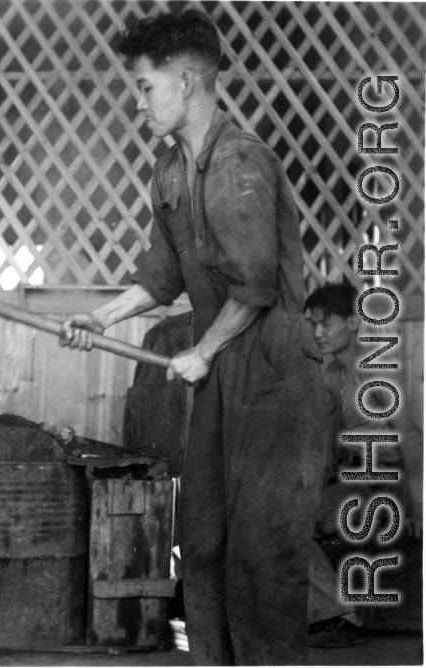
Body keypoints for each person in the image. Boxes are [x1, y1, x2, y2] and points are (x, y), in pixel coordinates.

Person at [60, 10, 326, 664]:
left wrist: (201, 351)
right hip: (211, 382)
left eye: (145, 86)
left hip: (274, 385)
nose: (136, 100)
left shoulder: (241, 164)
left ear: (185, 81)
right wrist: (104, 317)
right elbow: (161, 272)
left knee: (260, 558)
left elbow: (256, 285)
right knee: (202, 544)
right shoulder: (170, 167)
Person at [305, 281, 421, 648]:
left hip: (390, 487)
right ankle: (331, 612)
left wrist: (419, 506)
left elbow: (412, 441)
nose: (318, 333)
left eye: (327, 323)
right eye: (313, 325)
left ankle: (342, 619)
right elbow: (326, 439)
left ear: (354, 322)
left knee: (294, 519)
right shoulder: (329, 374)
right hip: (354, 477)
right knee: (283, 513)